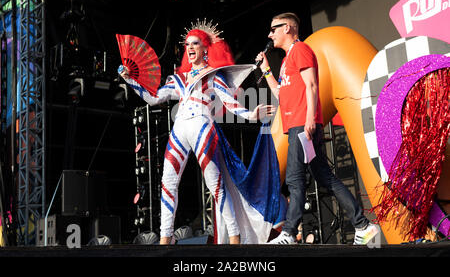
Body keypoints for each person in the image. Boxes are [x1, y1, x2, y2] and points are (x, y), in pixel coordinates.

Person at [119, 21, 276, 244]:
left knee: (215, 184)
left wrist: (252, 115)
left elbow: (231, 104)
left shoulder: (213, 76)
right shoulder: (178, 79)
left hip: (203, 126)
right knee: (168, 182)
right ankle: (165, 237)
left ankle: (234, 236)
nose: (190, 47)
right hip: (180, 128)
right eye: (187, 44)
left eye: (196, 43)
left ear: (205, 49)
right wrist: (130, 79)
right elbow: (153, 98)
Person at [256, 12, 379, 245]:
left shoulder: (301, 50)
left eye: (274, 29)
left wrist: (311, 118)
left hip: (303, 125)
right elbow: (281, 95)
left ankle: (290, 232)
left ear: (288, 29)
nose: (270, 34)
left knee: (294, 178)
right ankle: (364, 226)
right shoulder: (285, 60)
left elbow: (312, 84)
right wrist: (265, 70)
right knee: (324, 177)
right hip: (296, 124)